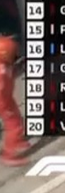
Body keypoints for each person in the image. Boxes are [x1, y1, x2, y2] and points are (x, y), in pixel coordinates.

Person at [0, 36, 30, 166]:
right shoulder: (2, 70)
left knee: (17, 117)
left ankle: (17, 142)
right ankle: (9, 154)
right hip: (3, 102)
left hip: (7, 98)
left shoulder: (5, 65)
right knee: (14, 126)